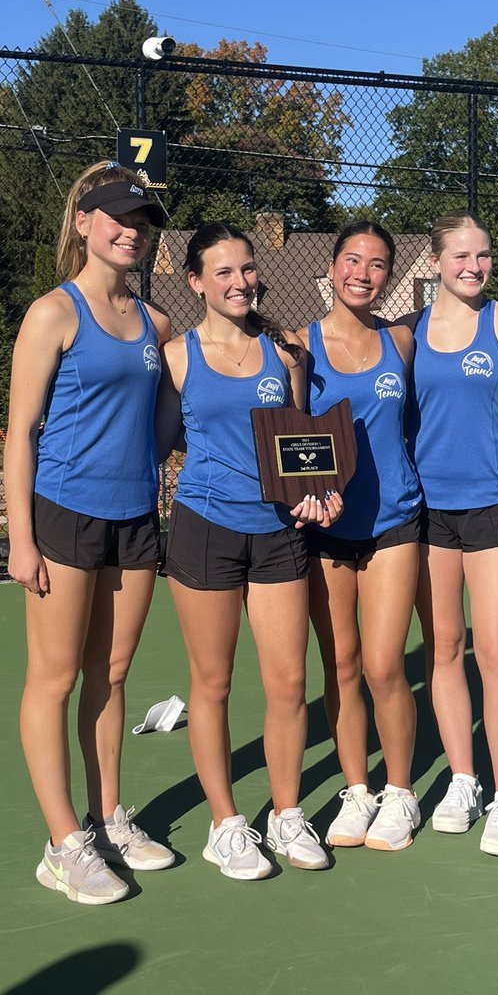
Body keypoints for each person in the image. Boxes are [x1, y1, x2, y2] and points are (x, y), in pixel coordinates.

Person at [4, 161, 175, 905]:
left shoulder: (157, 324)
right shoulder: (54, 313)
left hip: (137, 518)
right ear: (84, 222)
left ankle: (109, 817)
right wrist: (19, 537)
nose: (130, 231)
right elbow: (20, 433)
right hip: (63, 518)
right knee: (55, 678)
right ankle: (63, 842)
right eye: (117, 217)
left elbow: (166, 429)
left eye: (141, 222)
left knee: (111, 677)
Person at [157, 222, 341, 881]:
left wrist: (320, 493)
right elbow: (154, 445)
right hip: (204, 529)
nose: (240, 282)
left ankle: (286, 813)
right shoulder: (177, 357)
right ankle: (225, 826)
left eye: (247, 269)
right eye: (223, 271)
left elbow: (298, 446)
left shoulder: (284, 353)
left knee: (289, 683)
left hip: (276, 533)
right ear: (196, 281)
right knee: (212, 684)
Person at [402, 212, 498, 858]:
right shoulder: (408, 334)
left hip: (494, 507)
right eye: (460, 254)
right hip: (428, 515)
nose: (473, 265)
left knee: (496, 651)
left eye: (483, 254)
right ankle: (464, 780)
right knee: (442, 650)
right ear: (435, 262)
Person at [303, 222, 423, 852]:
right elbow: (284, 436)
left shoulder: (402, 341)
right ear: (331, 265)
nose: (364, 274)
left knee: (383, 667)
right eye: (353, 260)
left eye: (378, 265)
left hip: (395, 523)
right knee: (342, 666)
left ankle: (399, 793)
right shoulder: (299, 347)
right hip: (326, 534)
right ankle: (357, 789)